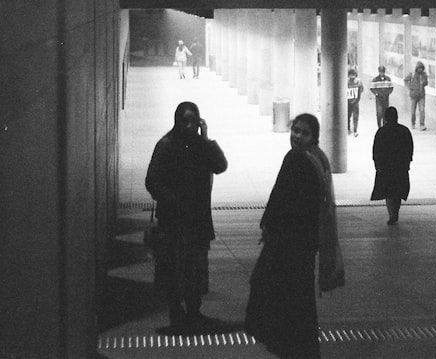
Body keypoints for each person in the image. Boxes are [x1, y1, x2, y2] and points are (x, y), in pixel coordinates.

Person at [245, 114, 344, 359]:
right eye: (295, 130)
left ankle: (288, 346)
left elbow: (283, 199)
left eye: (304, 133)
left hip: (289, 244)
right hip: (304, 244)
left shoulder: (299, 160)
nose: (297, 136)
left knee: (277, 292)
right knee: (299, 298)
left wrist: (271, 227)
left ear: (314, 137)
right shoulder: (317, 158)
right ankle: (300, 348)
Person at [145, 101, 228, 335]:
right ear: (176, 121)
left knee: (196, 267)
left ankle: (193, 311)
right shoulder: (166, 145)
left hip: (197, 218)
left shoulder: (201, 145)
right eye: (184, 121)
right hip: (174, 220)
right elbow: (152, 180)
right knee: (174, 267)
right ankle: (176, 313)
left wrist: (206, 137)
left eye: (193, 121)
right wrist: (173, 201)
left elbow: (221, 165)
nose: (189, 126)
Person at [370, 107, 414, 225]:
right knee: (398, 192)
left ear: (385, 118)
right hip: (400, 167)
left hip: (386, 168)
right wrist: (407, 163)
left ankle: (392, 214)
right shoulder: (404, 131)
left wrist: (377, 165)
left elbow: (376, 150)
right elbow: (409, 148)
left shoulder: (381, 132)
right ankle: (395, 213)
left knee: (388, 192)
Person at [404, 61, 428, 130]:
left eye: (421, 68)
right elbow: (406, 80)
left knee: (422, 110)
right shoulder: (412, 74)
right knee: (413, 111)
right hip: (414, 95)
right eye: (419, 68)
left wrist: (423, 82)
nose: (420, 70)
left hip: (421, 95)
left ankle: (422, 124)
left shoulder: (424, 75)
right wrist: (409, 88)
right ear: (417, 68)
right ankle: (413, 123)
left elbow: (426, 83)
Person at [346, 67, 364, 136]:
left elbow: (361, 89)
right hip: (350, 101)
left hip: (355, 101)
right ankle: (348, 129)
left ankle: (355, 130)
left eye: (353, 75)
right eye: (351, 75)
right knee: (348, 115)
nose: (352, 76)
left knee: (355, 116)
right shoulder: (347, 82)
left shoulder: (358, 82)